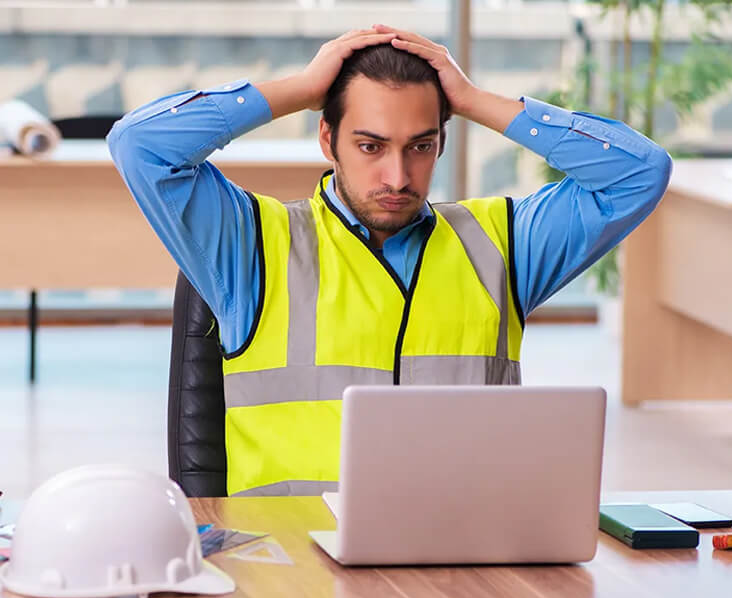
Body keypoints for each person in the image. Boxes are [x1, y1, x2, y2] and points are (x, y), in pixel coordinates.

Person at [108, 26, 672, 496]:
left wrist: (475, 101)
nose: (398, 178)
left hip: (460, 561)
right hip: (291, 572)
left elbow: (640, 174)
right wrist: (301, 89)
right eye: (371, 146)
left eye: (420, 146)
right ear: (328, 139)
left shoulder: (504, 244)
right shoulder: (249, 245)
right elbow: (141, 146)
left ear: (441, 144)